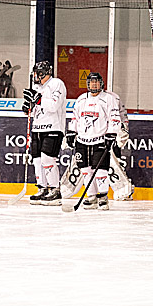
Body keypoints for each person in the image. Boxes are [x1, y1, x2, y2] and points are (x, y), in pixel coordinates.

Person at [66, 72, 121, 210]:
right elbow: (75, 118)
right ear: (88, 84)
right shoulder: (81, 99)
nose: (94, 85)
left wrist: (111, 134)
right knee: (85, 170)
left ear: (101, 83)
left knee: (101, 171)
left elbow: (114, 118)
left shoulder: (108, 99)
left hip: (100, 141)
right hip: (82, 141)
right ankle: (91, 197)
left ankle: (102, 197)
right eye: (91, 82)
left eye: (96, 82)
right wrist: (72, 132)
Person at [23, 61, 68, 206]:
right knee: (37, 160)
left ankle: (55, 190)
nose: (36, 76)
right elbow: (37, 109)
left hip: (53, 128)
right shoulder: (37, 87)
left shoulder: (57, 84)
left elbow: (54, 106)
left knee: (48, 159)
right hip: (37, 128)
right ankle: (42, 187)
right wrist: (28, 107)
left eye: (38, 73)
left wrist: (38, 99)